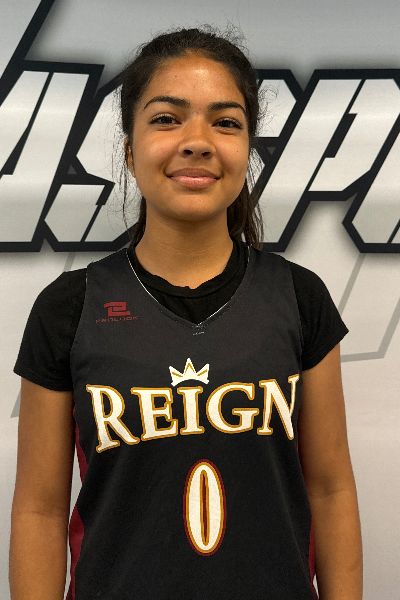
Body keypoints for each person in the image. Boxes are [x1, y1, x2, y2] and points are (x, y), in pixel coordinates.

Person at [9, 26, 362, 600]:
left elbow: (330, 489)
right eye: (167, 119)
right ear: (130, 150)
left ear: (247, 150)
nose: (197, 141)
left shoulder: (300, 298)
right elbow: (40, 509)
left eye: (225, 122)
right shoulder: (69, 307)